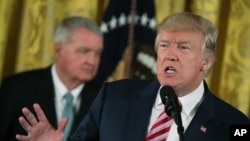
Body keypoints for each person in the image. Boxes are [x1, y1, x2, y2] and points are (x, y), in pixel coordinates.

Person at [15, 12, 250, 141]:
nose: (170, 55)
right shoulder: (113, 97)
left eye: (183, 47)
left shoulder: (236, 125)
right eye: (165, 45)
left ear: (206, 62)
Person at [0, 16, 103, 141]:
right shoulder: (16, 89)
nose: (92, 61)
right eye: (84, 51)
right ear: (58, 50)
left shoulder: (103, 98)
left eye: (97, 53)